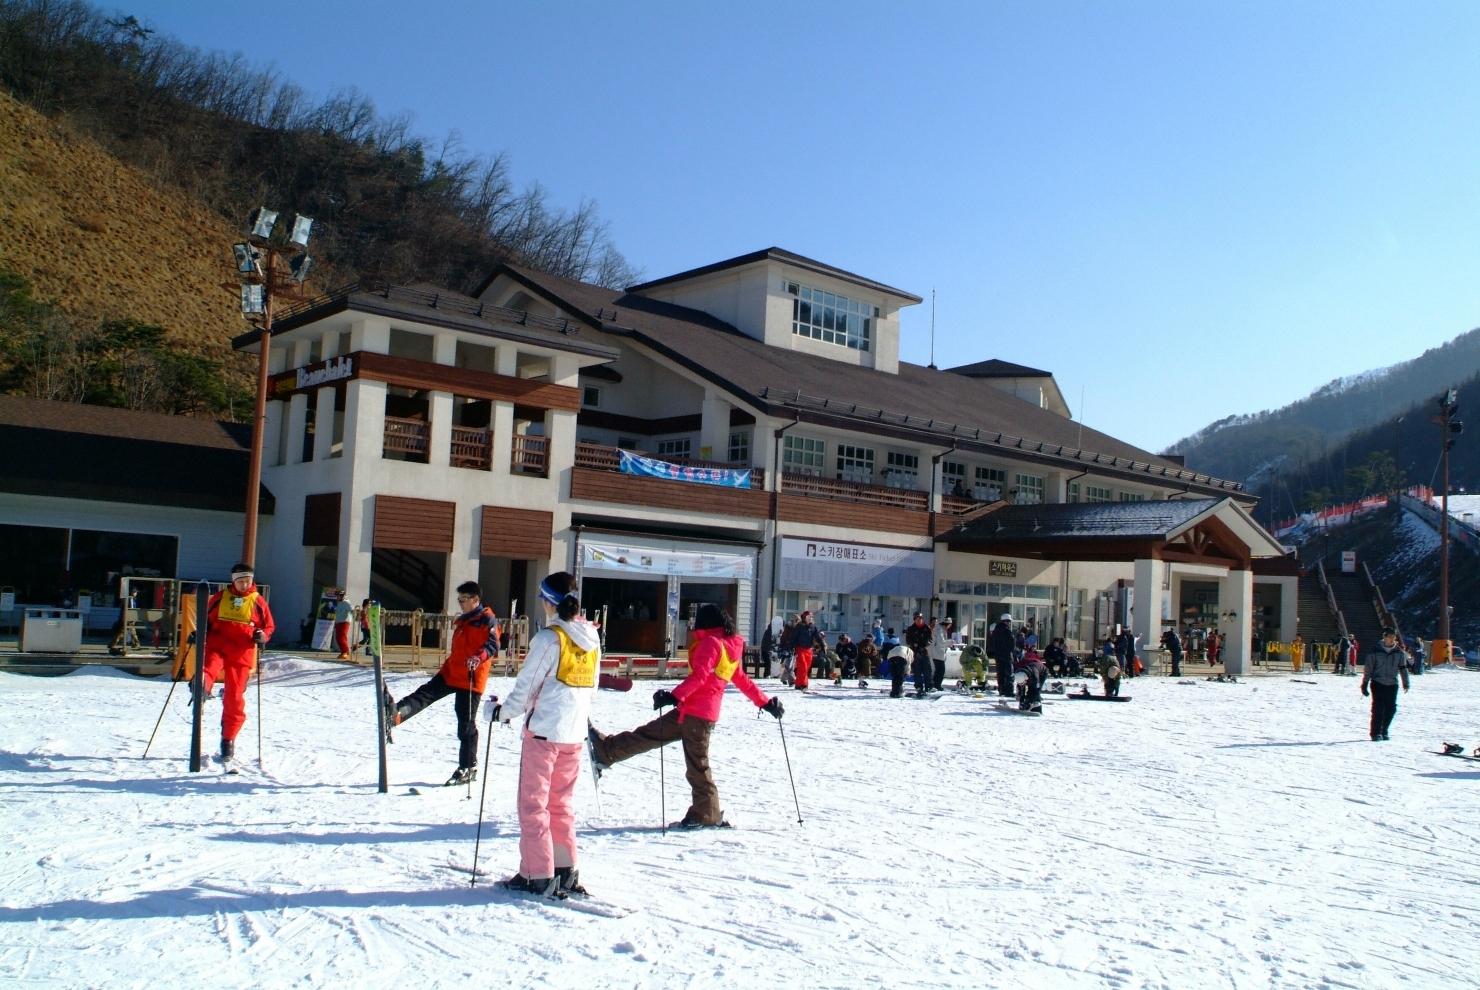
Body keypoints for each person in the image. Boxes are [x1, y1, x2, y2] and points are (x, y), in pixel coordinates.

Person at [588, 604, 782, 827]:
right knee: (650, 734)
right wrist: (765, 702)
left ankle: (707, 815)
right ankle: (608, 751)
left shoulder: (711, 643)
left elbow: (700, 676)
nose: (692, 626)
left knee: (697, 765)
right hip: (692, 712)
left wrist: (673, 696)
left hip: (696, 715)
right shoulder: (729, 646)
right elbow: (742, 680)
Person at [495, 571, 599, 897]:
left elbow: (527, 687)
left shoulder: (549, 638)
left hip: (544, 733)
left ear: (546, 601)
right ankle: (565, 869)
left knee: (533, 805)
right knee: (561, 804)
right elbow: (591, 686)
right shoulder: (591, 638)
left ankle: (536, 874)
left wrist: (502, 712)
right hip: (574, 733)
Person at [382, 581, 500, 785]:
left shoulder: (486, 619)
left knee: (465, 724)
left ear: (475, 600)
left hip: (471, 678)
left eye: (464, 599)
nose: (461, 603)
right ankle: (397, 714)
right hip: (452, 671)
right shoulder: (464, 619)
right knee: (425, 693)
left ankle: (468, 767)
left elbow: (493, 645)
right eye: (459, 599)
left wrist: (479, 657)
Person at [201, 563, 275, 766]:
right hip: (218, 643)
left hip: (242, 650)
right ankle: (201, 686)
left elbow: (268, 626)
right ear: (233, 581)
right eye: (240, 581)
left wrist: (262, 635)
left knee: (234, 697)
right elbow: (205, 619)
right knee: (209, 666)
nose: (244, 585)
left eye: (247, 581)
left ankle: (228, 738)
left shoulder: (257, 601)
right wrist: (199, 632)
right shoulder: (219, 598)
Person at [1361, 626, 1410, 741]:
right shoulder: (1375, 651)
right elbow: (1368, 669)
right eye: (1390, 637)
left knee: (1391, 708)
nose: (1392, 639)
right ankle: (1375, 733)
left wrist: (1406, 683)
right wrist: (1364, 684)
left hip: (1392, 684)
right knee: (1378, 708)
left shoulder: (1399, 652)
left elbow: (1403, 668)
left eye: (1394, 637)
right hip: (1378, 682)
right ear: (1384, 637)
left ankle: (1384, 730)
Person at [787, 610, 825, 691]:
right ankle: (804, 684)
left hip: (809, 650)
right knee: (803, 667)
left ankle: (798, 684)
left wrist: (822, 645)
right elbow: (793, 638)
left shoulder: (813, 627)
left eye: (811, 617)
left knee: (806, 668)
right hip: (800, 649)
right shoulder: (799, 626)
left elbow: (818, 637)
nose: (810, 618)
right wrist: (791, 648)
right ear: (804, 618)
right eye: (808, 617)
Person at [989, 613, 1016, 697]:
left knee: (1000, 673)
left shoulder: (995, 631)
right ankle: (1008, 691)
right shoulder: (1007, 631)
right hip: (1007, 655)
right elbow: (1012, 643)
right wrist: (1011, 652)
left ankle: (1001, 690)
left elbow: (992, 643)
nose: (1009, 623)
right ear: (1007, 621)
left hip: (998, 655)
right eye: (1009, 622)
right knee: (1009, 673)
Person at [904, 611, 932, 688]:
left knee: (927, 670)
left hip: (924, 651)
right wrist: (914, 644)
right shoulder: (910, 629)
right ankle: (918, 686)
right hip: (915, 652)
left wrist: (926, 644)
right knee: (917, 670)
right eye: (917, 618)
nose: (919, 620)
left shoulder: (927, 628)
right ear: (914, 619)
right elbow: (908, 641)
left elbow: (931, 639)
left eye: (920, 618)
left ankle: (928, 686)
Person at [927, 617, 953, 691]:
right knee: (941, 670)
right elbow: (941, 642)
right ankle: (937, 685)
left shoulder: (941, 629)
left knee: (939, 670)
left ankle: (935, 685)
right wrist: (950, 642)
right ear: (948, 624)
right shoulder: (940, 630)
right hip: (937, 653)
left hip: (938, 653)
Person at [332, 589, 354, 660]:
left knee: (342, 637)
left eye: (338, 596)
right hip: (339, 622)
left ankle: (346, 652)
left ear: (342, 596)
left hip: (345, 622)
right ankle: (343, 652)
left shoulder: (346, 602)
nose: (337, 597)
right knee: (338, 638)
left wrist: (354, 614)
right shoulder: (339, 603)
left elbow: (352, 609)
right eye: (337, 596)